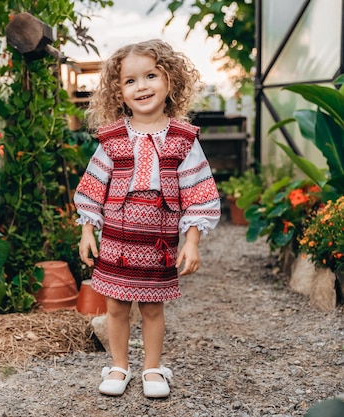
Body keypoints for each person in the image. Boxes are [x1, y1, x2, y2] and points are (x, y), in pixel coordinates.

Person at [74, 39, 221, 398]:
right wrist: (87, 231)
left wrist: (192, 241)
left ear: (170, 81)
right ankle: (119, 366)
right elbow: (93, 186)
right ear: (118, 92)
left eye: (151, 75)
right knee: (116, 306)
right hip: (117, 242)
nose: (142, 86)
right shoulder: (112, 140)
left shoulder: (183, 140)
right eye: (130, 81)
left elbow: (198, 190)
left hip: (157, 245)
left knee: (153, 308)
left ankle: (152, 369)